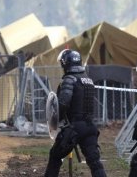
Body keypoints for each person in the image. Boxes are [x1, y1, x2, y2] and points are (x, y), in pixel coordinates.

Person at [44, 49, 107, 177]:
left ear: (65, 63)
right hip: (90, 127)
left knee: (55, 156)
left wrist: (57, 122)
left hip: (74, 128)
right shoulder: (88, 80)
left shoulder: (69, 79)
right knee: (95, 162)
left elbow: (62, 103)